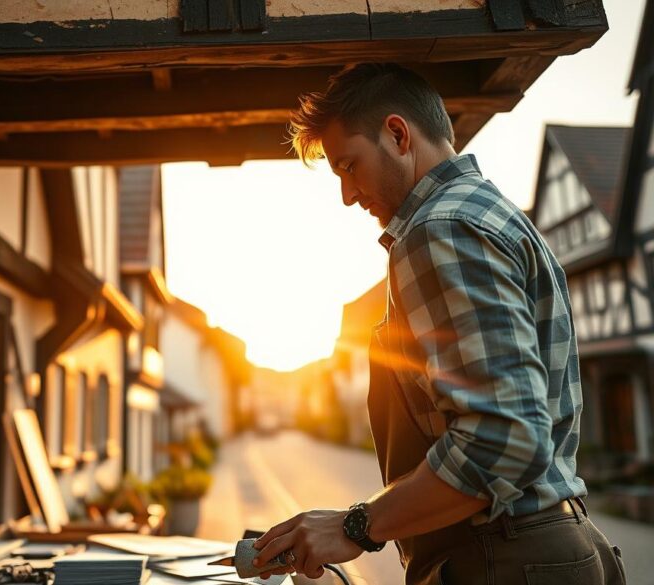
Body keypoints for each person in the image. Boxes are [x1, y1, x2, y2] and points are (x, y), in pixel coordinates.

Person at [251, 63, 627, 585]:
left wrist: (357, 527)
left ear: (398, 134)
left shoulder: (439, 228)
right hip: (550, 545)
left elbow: (504, 436)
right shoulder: (494, 214)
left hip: (502, 558)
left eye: (348, 165)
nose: (347, 194)